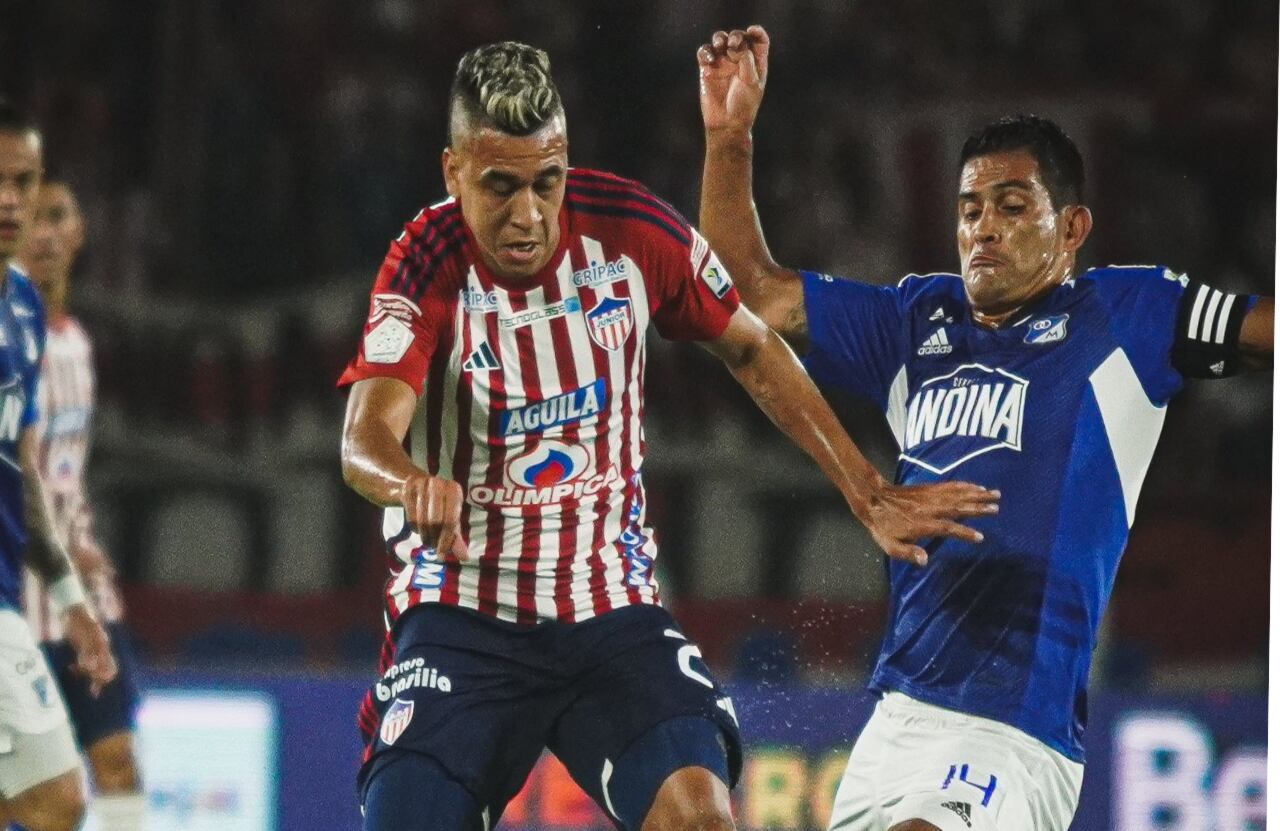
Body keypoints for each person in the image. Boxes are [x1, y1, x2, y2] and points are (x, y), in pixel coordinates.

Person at [339, 42, 998, 831]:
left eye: (546, 183)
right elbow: (363, 436)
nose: (528, 214)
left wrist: (867, 488)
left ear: (566, 162)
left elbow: (752, 344)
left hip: (608, 609)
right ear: (453, 173)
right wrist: (405, 479)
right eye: (499, 186)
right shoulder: (423, 263)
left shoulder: (630, 230)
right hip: (458, 617)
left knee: (700, 817)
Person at [696, 26, 1273, 831]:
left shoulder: (1124, 313)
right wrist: (730, 137)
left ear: (1072, 229)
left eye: (1011, 206)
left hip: (1018, 730)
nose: (983, 229)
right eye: (970, 209)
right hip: (895, 719)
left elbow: (1263, 331)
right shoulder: (914, 320)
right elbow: (746, 296)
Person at [0, 99, 118, 831]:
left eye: (25, 181)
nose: (12, 200)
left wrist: (71, 598)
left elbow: (25, 467)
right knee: (56, 799)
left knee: (52, 801)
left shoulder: (21, 310)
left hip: (9, 593)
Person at [18, 176, 145, 831]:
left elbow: (61, 475)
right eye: (29, 219)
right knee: (34, 795)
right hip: (18, 599)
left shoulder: (75, 344)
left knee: (118, 762)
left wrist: (81, 538)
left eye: (57, 216)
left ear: (79, 231)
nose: (43, 233)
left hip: (82, 602)